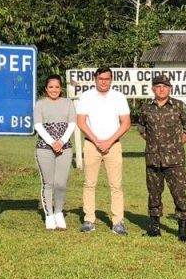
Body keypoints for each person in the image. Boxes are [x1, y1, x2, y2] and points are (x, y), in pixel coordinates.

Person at [137, 74, 186, 241]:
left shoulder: (179, 106)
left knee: (179, 193)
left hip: (174, 160)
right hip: (153, 159)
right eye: (158, 86)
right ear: (153, 89)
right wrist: (154, 144)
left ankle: (182, 230)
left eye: (165, 86)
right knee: (154, 194)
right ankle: (155, 227)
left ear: (170, 89)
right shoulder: (146, 107)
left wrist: (176, 145)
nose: (161, 89)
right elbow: (142, 129)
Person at [75, 67, 131, 235]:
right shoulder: (86, 96)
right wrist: (96, 140)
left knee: (116, 185)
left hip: (113, 145)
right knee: (89, 183)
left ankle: (118, 222)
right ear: (95, 79)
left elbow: (126, 123)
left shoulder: (119, 97)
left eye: (107, 79)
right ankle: (89, 220)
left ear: (111, 80)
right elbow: (81, 121)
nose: (104, 82)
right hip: (92, 145)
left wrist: (109, 141)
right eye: (101, 79)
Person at [33, 74, 77, 230]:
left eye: (57, 87)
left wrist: (61, 142)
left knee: (60, 184)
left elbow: (72, 124)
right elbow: (38, 125)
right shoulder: (40, 104)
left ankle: (58, 212)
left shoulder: (68, 103)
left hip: (64, 148)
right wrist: (52, 142)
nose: (54, 90)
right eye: (51, 87)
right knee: (48, 183)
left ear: (61, 88)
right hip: (44, 148)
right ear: (46, 89)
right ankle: (49, 215)